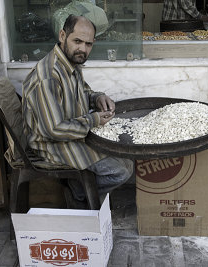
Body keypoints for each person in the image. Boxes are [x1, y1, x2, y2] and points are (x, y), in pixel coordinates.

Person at [22, 15, 134, 208]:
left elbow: (83, 91)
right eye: (77, 41)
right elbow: (54, 129)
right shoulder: (48, 76)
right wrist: (93, 120)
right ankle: (78, 194)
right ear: (62, 35)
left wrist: (97, 97)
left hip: (72, 134)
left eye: (88, 44)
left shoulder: (70, 62)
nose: (83, 49)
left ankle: (80, 188)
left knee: (128, 161)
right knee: (120, 171)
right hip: (51, 144)